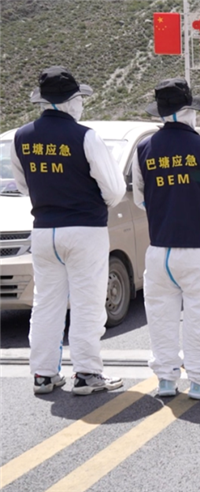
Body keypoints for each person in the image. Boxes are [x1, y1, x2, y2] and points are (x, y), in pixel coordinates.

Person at [10, 66, 125, 395]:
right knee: (88, 303)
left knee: (46, 303)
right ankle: (87, 373)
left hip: (44, 231)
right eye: (79, 99)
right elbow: (114, 189)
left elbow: (23, 186)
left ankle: (43, 374)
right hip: (85, 229)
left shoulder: (21, 137)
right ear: (71, 101)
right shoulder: (85, 136)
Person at [131, 78, 200, 400]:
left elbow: (140, 198)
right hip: (198, 246)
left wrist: (166, 209)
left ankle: (166, 380)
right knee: (198, 315)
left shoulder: (144, 149)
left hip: (159, 248)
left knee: (160, 317)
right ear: (189, 110)